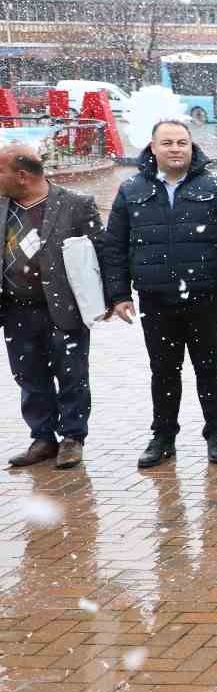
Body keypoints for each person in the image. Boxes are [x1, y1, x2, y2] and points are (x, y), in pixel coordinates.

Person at [103, 119, 217, 468]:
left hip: (205, 295)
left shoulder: (216, 188)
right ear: (152, 147)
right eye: (167, 142)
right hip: (155, 298)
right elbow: (115, 248)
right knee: (163, 369)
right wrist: (119, 294)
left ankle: (216, 433)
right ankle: (163, 436)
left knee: (209, 366)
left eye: (181, 142)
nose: (175, 149)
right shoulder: (132, 190)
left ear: (191, 146)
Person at [0, 142, 102, 471]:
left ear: (22, 175)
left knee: (72, 375)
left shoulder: (76, 205)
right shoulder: (2, 206)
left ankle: (72, 438)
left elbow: (101, 256)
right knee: (28, 376)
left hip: (63, 308)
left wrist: (112, 298)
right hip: (16, 309)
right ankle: (42, 438)